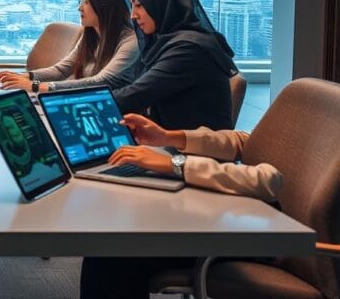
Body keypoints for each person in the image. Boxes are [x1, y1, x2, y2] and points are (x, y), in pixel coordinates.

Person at [79, 113, 282, 299]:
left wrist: (176, 164)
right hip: (252, 219)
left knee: (110, 252)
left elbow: (268, 180)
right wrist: (167, 137)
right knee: (113, 244)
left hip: (263, 238)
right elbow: (241, 141)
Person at [112, 0, 236, 130]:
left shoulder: (190, 49)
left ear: (161, 2)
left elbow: (135, 96)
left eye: (139, 5)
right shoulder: (163, 42)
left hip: (192, 152)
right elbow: (124, 82)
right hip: (169, 142)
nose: (133, 15)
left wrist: (76, 105)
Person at [0, 0, 140, 93]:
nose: (79, 7)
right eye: (81, 1)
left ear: (104, 6)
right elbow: (62, 70)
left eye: (86, 2)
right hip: (82, 103)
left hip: (111, 113)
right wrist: (25, 77)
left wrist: (34, 86)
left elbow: (99, 82)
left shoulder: (131, 42)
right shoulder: (91, 35)